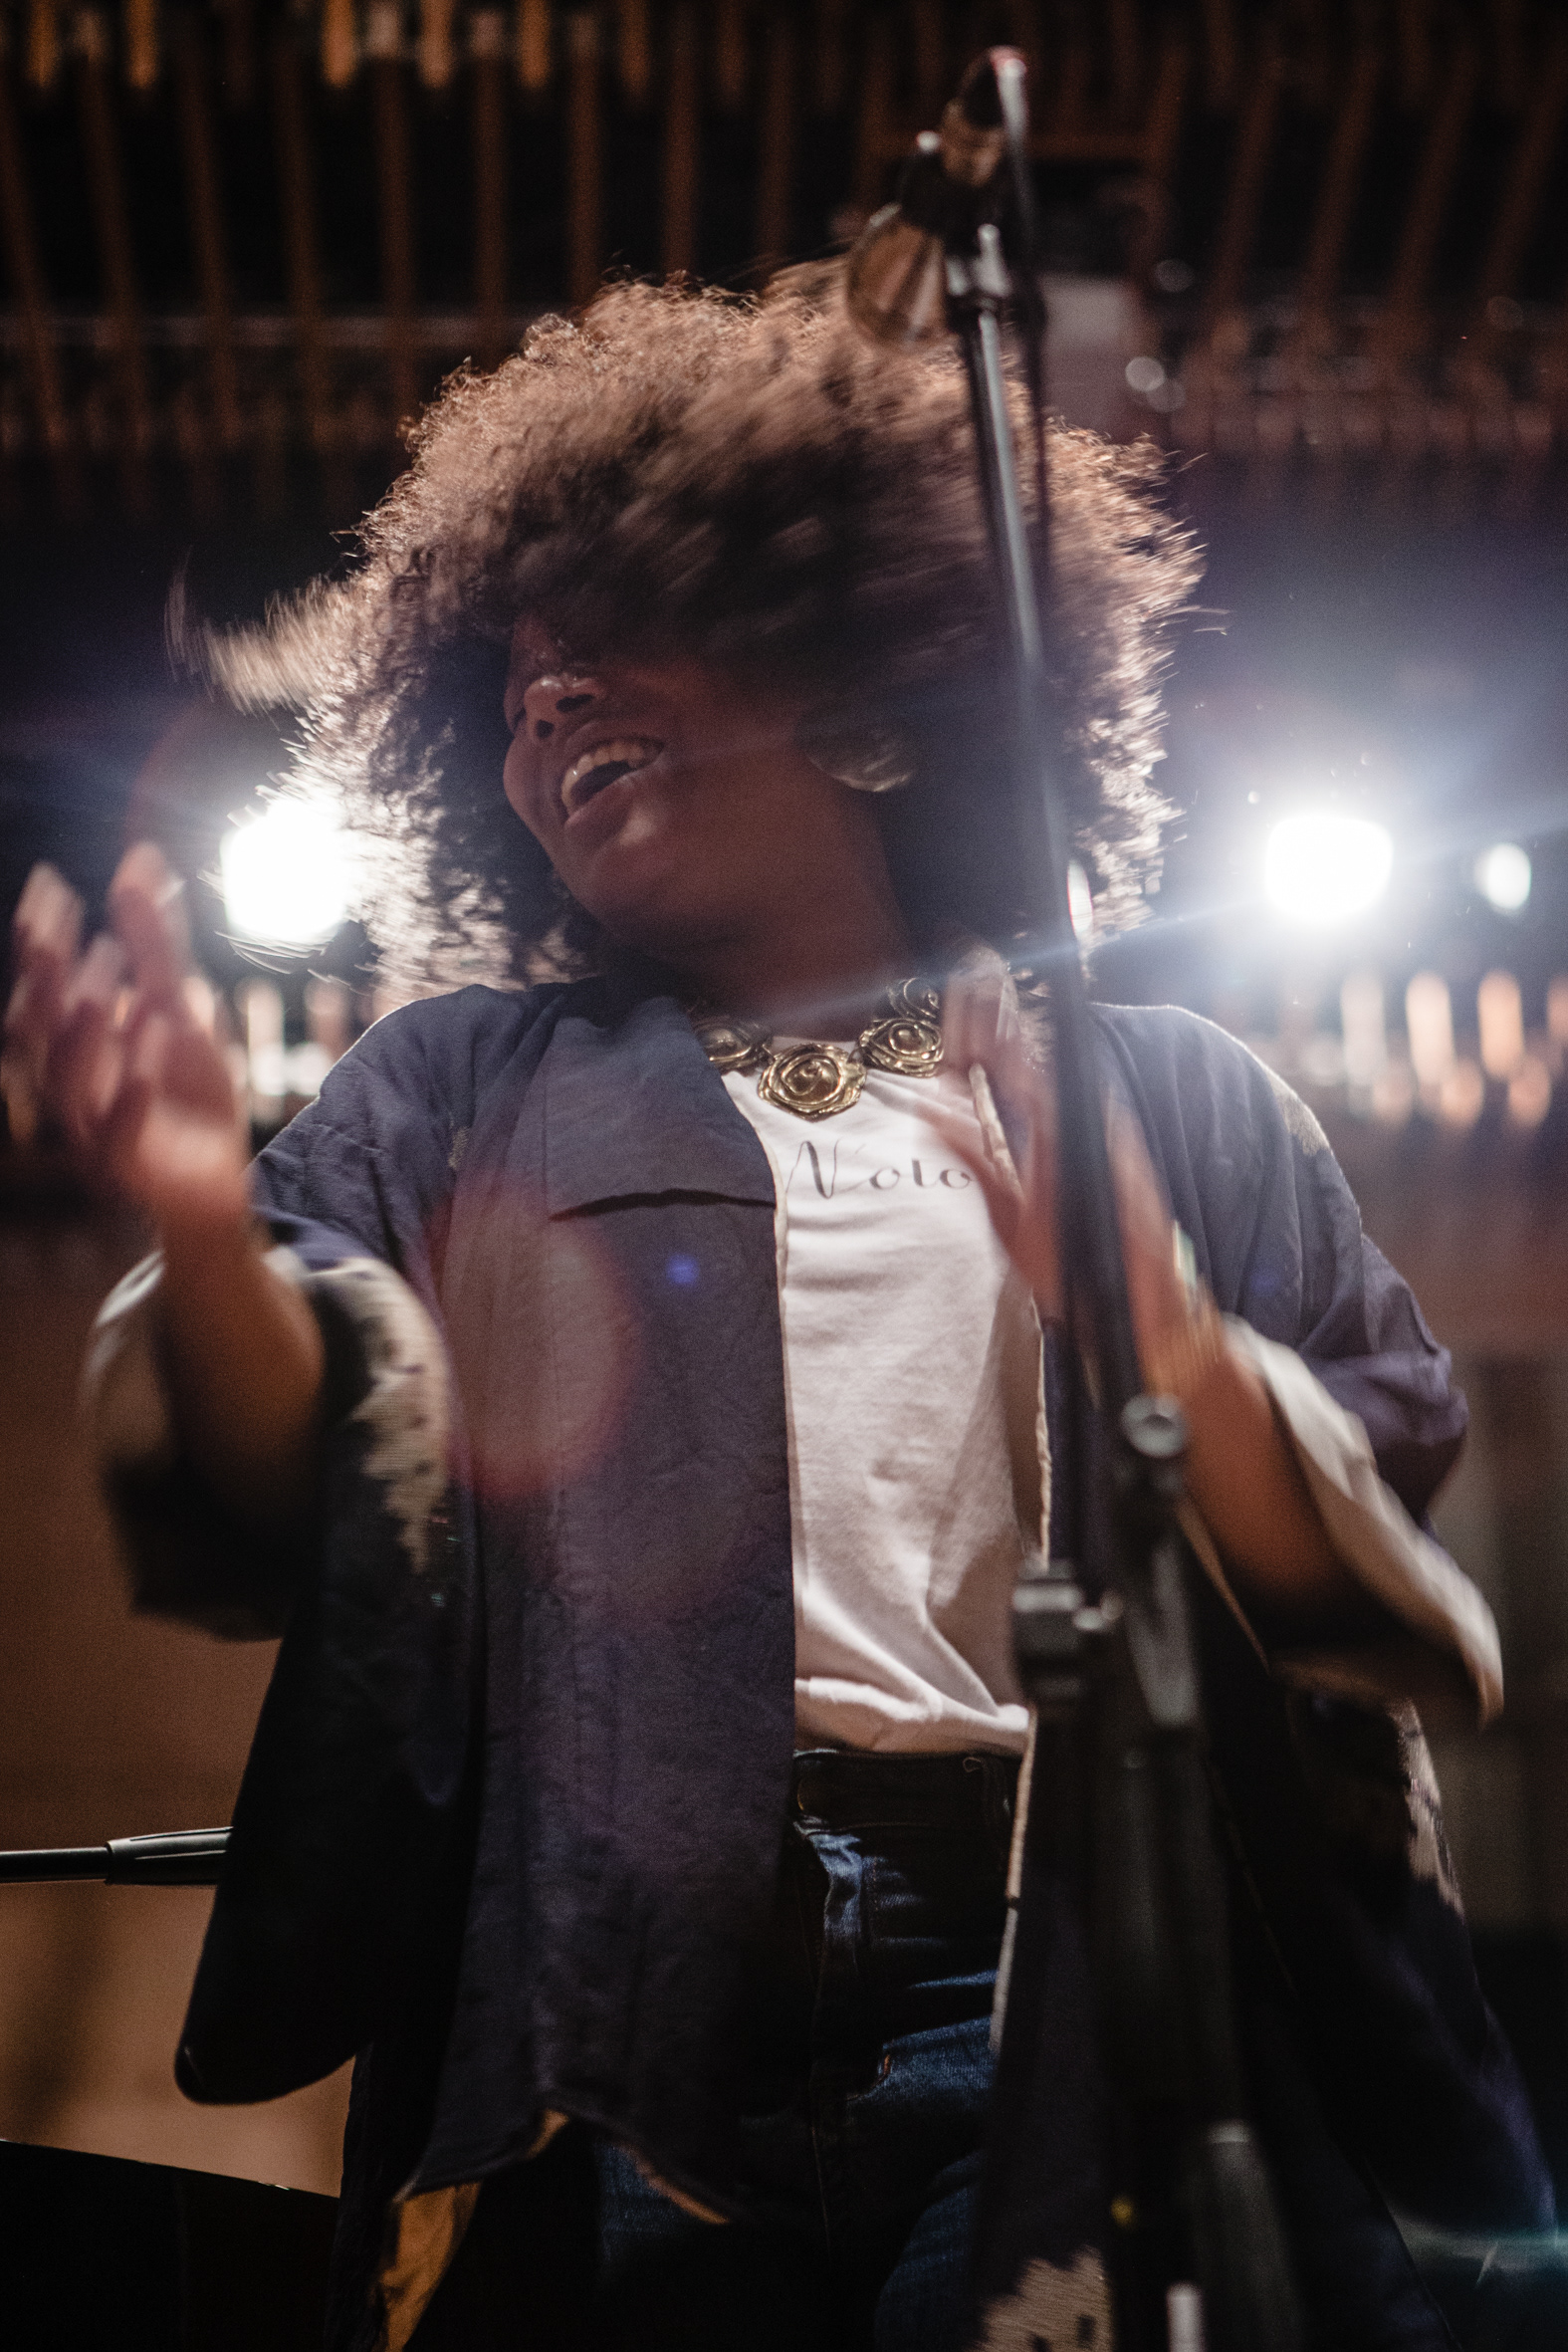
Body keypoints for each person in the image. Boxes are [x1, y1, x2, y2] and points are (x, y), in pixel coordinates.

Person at [4, 279, 1549, 2352]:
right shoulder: (462, 1090)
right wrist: (203, 1228)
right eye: (512, 690)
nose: (545, 704)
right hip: (609, 2004)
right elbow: (301, 1456)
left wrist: (1164, 1329)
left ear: (864, 691)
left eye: (609, 639)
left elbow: (1366, 1564)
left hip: (1045, 1985)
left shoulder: (1164, 1096)